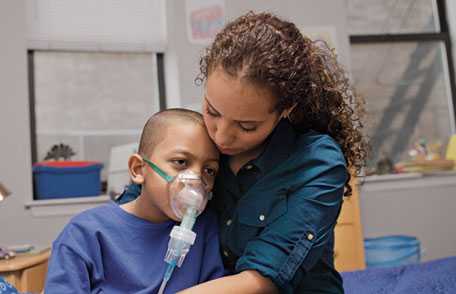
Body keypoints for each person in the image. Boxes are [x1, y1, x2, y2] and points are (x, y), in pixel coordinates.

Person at [118, 11, 367, 294]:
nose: (220, 136)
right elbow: (130, 211)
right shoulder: (196, 136)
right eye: (212, 111)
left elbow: (263, 280)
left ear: (286, 110)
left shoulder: (317, 163)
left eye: (247, 126)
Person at [45, 109, 225, 293]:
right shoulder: (86, 233)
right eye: (180, 162)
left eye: (209, 170)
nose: (195, 180)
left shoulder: (204, 229)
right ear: (138, 169)